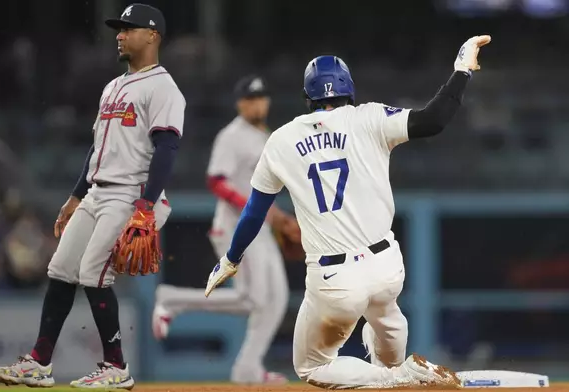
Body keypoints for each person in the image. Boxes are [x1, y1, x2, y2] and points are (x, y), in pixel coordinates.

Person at [205, 35, 492, 389]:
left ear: (308, 97)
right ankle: (397, 366)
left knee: (311, 366)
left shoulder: (280, 140)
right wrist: (461, 69)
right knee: (386, 319)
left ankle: (400, 374)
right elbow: (433, 119)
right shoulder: (369, 117)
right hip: (387, 267)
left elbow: (253, 211)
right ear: (349, 90)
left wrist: (231, 259)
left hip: (335, 279)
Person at [0, 4, 185, 389]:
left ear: (152, 36)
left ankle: (116, 368)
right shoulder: (112, 87)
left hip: (130, 194)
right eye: (118, 28)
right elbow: (96, 149)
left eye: (128, 28)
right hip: (97, 192)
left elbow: (167, 149)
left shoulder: (164, 87)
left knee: (93, 272)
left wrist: (146, 205)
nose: (120, 34)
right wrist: (75, 196)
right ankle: (39, 364)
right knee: (61, 269)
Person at [153, 75, 300, 385]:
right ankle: (171, 299)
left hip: (258, 227)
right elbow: (217, 181)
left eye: (261, 97)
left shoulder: (265, 136)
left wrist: (279, 217)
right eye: (250, 98)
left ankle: (247, 367)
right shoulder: (231, 135)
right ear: (240, 103)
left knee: (277, 298)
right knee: (252, 299)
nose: (257, 103)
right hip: (234, 227)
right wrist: (255, 209)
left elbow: (260, 191)